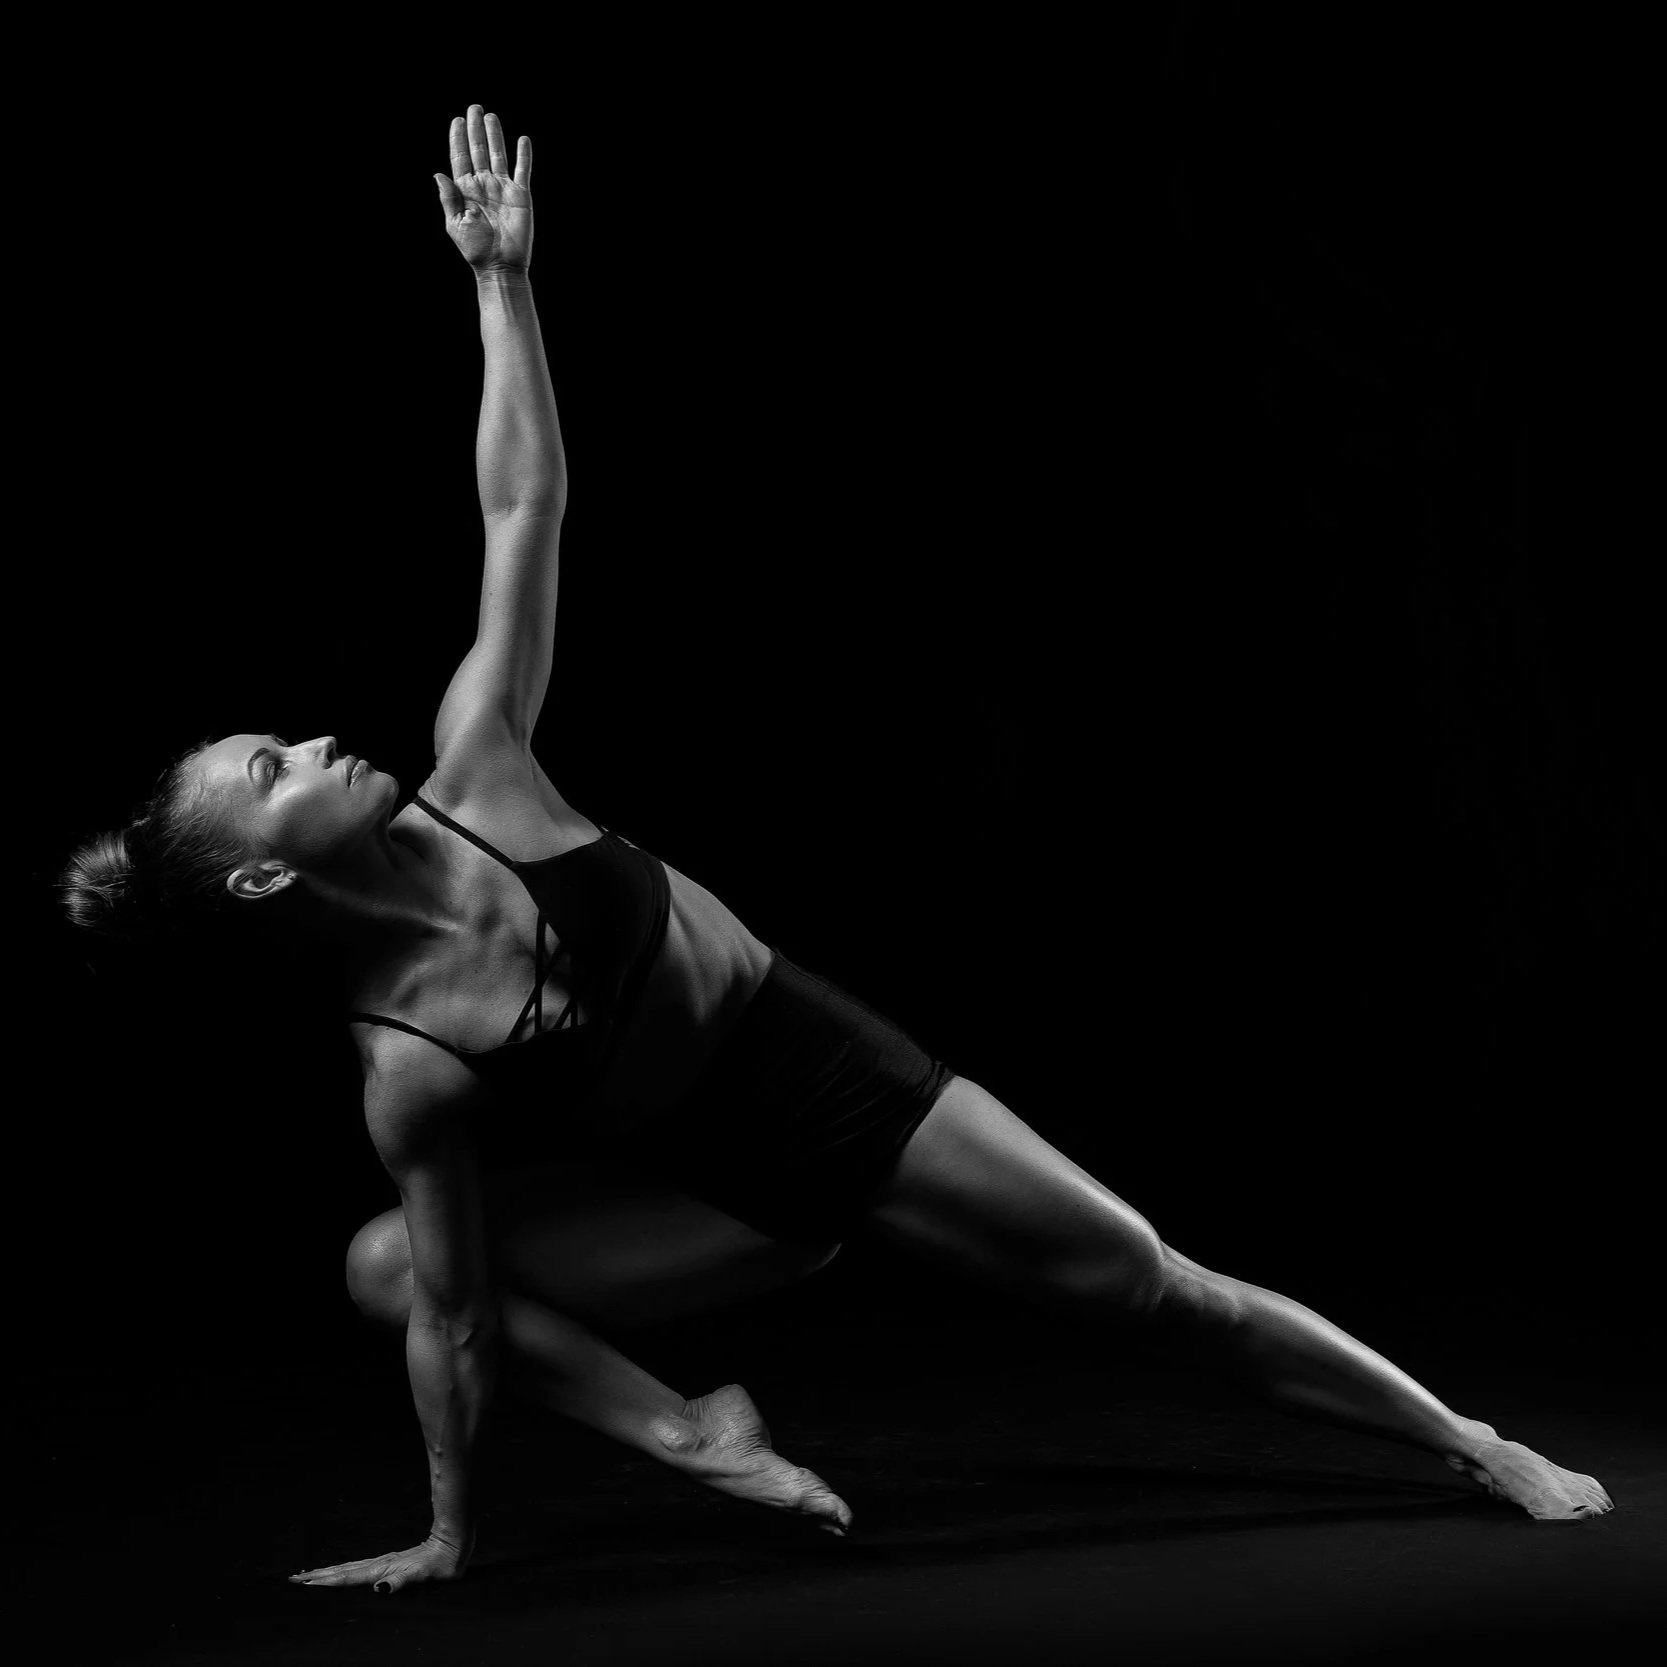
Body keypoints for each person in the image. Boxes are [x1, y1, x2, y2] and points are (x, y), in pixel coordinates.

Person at [59, 105, 1613, 1596]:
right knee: (390, 1268)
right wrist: (448, 1535)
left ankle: (1472, 1444)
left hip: (827, 1088)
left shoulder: (484, 767)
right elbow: (459, 1323)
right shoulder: (408, 1062)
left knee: (1151, 1281)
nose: (315, 741)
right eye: (272, 768)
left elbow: (522, 500)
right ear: (268, 876)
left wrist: (501, 285)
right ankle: (697, 1435)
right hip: (719, 1213)